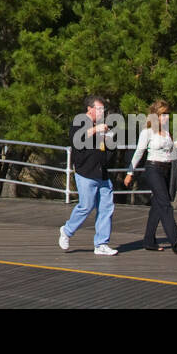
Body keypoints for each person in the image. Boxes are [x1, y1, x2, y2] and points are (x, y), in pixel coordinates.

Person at [124, 100, 177, 254]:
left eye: (167, 114)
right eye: (162, 115)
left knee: (157, 206)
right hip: (153, 168)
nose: (166, 118)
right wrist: (130, 172)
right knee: (165, 204)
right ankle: (176, 241)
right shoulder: (147, 132)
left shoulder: (167, 132)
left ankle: (149, 240)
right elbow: (139, 153)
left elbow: (172, 154)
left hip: (167, 169)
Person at [59, 95, 118, 255]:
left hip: (102, 174)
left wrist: (110, 141)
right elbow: (75, 139)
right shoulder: (79, 122)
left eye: (103, 109)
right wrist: (94, 130)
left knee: (106, 208)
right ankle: (67, 231)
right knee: (86, 206)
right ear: (89, 109)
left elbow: (107, 150)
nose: (102, 112)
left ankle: (101, 244)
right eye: (98, 109)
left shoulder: (101, 126)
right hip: (86, 173)